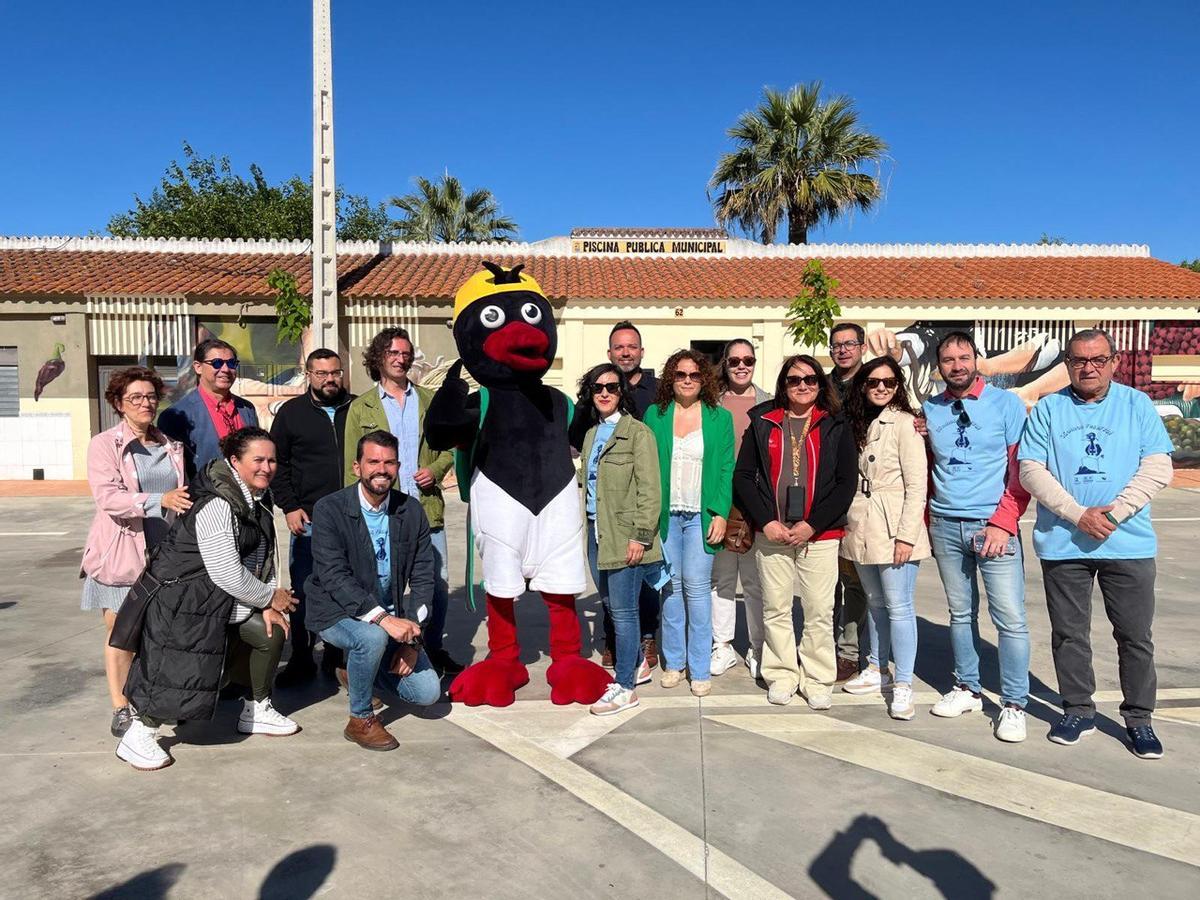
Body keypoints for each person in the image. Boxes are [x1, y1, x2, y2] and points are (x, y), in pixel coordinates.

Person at [1018, 329, 1174, 758]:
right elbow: (1031, 470)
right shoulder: (1049, 409)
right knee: (1069, 635)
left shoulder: (1136, 405)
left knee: (1135, 637)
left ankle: (1139, 719)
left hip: (1129, 544)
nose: (1089, 368)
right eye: (1079, 360)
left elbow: (1158, 467)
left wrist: (1114, 513)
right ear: (1066, 364)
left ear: (1114, 361)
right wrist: (1077, 515)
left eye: (1098, 360)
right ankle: (1078, 710)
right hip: (1064, 543)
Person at [116, 427, 299, 771]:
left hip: (216, 597)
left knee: (268, 634)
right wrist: (269, 597)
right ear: (235, 461)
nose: (267, 467)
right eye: (258, 459)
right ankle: (139, 733)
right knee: (179, 669)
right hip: (181, 599)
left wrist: (267, 602)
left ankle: (257, 709)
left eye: (272, 460)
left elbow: (265, 552)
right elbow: (226, 572)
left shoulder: (256, 497)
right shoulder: (217, 502)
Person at [923, 331, 1031, 743]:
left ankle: (1014, 703)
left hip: (994, 526)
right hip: (946, 524)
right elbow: (928, 464)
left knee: (1010, 620)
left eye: (964, 357)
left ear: (977, 359)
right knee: (960, 613)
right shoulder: (931, 409)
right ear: (940, 366)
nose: (957, 366)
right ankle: (967, 687)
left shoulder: (1006, 405)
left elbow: (1020, 470)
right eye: (948, 360)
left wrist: (1004, 522)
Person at [306, 431, 442, 750]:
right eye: (373, 461)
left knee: (427, 694)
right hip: (335, 610)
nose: (381, 469)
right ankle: (361, 718)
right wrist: (382, 620)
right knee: (371, 637)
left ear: (398, 466)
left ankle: (357, 672)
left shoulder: (410, 511)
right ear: (357, 467)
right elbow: (333, 575)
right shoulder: (330, 509)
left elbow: (424, 578)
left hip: (387, 615)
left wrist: (414, 639)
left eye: (389, 462)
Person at [734, 355, 857, 709]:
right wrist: (767, 521)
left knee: (819, 609)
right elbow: (744, 477)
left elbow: (845, 483)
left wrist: (812, 524)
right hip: (771, 533)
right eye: (793, 380)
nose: (802, 385)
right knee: (776, 607)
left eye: (810, 379)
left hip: (819, 535)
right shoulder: (763, 421)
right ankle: (781, 674)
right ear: (783, 385)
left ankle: (817, 678)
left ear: (821, 384)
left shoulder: (835, 423)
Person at [343, 327, 463, 677]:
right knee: (379, 582)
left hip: (424, 508)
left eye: (406, 353)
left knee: (436, 583)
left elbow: (450, 447)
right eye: (393, 353)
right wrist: (354, 514)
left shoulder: (428, 400)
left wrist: (436, 470)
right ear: (379, 358)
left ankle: (429, 648)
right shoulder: (361, 406)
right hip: (379, 511)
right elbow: (352, 467)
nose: (401, 358)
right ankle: (381, 651)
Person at [80, 367, 189, 737]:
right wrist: (161, 499)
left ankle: (152, 699)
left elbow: (182, 495)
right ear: (118, 404)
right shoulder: (104, 444)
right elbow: (108, 497)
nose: (146, 403)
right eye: (136, 398)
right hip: (122, 552)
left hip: (165, 554)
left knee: (159, 631)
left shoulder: (171, 445)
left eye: (150, 396)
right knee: (121, 632)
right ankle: (120, 707)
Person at [839, 357, 931, 720]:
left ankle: (904, 683)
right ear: (863, 385)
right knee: (875, 602)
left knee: (899, 606)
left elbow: (917, 484)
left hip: (894, 526)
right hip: (861, 522)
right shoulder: (858, 423)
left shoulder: (906, 423)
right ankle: (877, 667)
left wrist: (906, 536)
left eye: (889, 383)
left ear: (898, 386)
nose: (880, 388)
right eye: (874, 382)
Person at [643, 350, 734, 697]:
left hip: (701, 516)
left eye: (694, 375)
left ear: (704, 379)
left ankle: (698, 668)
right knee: (670, 588)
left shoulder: (718, 418)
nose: (687, 380)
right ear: (671, 378)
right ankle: (674, 663)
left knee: (696, 590)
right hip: (666, 517)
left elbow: (726, 469)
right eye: (680, 374)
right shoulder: (656, 414)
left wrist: (721, 513)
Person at [576, 364, 665, 715]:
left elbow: (650, 490)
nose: (604, 393)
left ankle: (626, 686)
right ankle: (636, 666)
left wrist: (641, 537)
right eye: (597, 387)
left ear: (621, 392)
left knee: (626, 613)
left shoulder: (638, 434)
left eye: (612, 387)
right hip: (599, 534)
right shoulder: (590, 435)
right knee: (612, 608)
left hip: (627, 535)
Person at [268, 348, 356, 685]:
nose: (330, 379)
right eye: (321, 373)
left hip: (352, 517)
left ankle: (336, 657)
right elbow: (279, 465)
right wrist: (289, 506)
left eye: (335, 372)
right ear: (309, 374)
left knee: (346, 586)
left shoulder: (358, 408)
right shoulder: (292, 414)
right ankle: (302, 657)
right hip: (309, 519)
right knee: (305, 588)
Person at [597, 320, 662, 672]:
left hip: (644, 500)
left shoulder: (658, 392)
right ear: (610, 353)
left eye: (631, 346)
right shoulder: (600, 394)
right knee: (609, 583)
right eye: (619, 347)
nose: (625, 352)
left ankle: (646, 638)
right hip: (609, 505)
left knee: (645, 581)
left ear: (641, 352)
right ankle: (616, 638)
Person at [710, 339, 770, 679]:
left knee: (753, 579)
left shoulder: (768, 403)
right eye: (734, 360)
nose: (741, 366)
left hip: (755, 502)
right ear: (725, 363)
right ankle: (723, 645)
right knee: (722, 577)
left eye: (748, 359)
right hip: (721, 499)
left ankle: (758, 647)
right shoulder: (711, 403)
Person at [828, 323, 870, 683]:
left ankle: (850, 651)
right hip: (826, 491)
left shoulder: (875, 384)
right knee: (828, 579)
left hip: (864, 492)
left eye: (849, 344)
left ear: (862, 346)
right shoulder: (821, 386)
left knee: (855, 578)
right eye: (837, 345)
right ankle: (823, 646)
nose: (843, 351)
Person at [158, 338, 259, 476]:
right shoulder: (176, 415)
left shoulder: (246, 409)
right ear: (198, 367)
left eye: (231, 363)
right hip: (204, 494)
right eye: (217, 363)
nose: (225, 370)